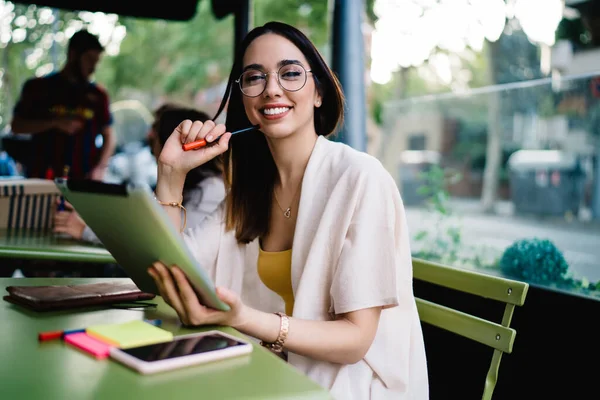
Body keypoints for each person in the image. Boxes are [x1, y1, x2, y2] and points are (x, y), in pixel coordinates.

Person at [150, 22, 428, 399]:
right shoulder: (248, 191)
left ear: (318, 93)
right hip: (269, 377)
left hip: (350, 386)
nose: (272, 89)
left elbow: (356, 340)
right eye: (255, 78)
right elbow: (170, 274)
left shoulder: (361, 178)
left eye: (290, 73)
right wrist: (170, 176)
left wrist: (245, 319)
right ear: (245, 103)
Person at [53, 104, 226, 243]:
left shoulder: (212, 190)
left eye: (155, 129)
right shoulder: (181, 186)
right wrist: (89, 215)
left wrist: (86, 230)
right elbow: (135, 220)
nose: (148, 135)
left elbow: (154, 238)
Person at [10, 29, 116, 181]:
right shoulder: (38, 88)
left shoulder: (98, 95)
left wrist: (100, 168)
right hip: (42, 177)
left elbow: (109, 135)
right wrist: (54, 123)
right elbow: (17, 126)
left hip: (82, 181)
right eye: (89, 60)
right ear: (73, 54)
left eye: (96, 61)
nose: (93, 67)